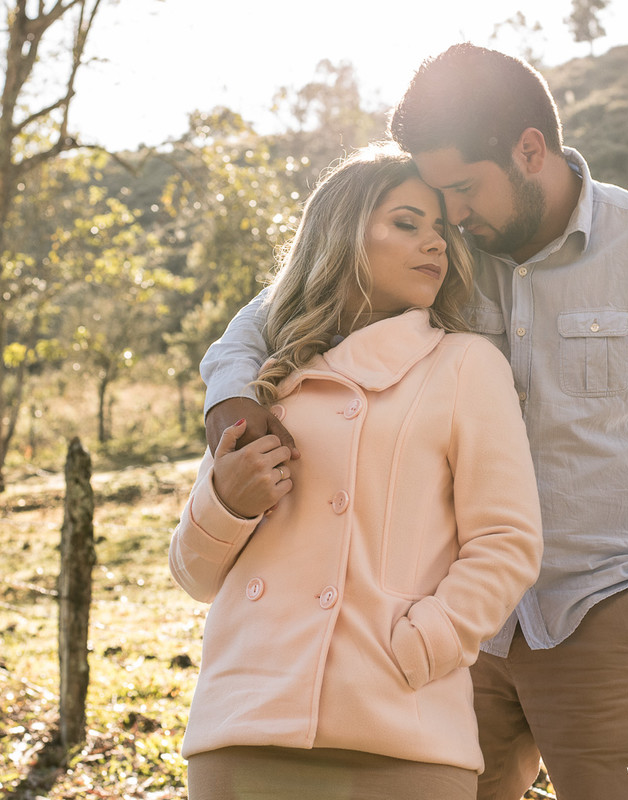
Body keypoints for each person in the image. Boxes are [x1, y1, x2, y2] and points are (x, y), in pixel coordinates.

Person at [200, 45, 628, 800]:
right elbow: (265, 314)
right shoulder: (441, 252)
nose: (453, 216)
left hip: (610, 617)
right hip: (452, 636)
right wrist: (231, 396)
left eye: (465, 189)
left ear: (529, 150)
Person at [170, 146, 544, 800]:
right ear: (342, 235)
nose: (435, 243)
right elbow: (195, 574)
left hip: (399, 731)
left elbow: (507, 543)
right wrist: (227, 501)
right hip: (243, 728)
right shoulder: (263, 382)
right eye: (407, 223)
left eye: (441, 230)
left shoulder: (463, 365)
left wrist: (418, 649)